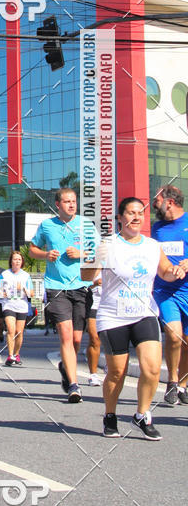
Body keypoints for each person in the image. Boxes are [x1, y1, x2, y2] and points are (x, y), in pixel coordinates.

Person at [82, 197, 185, 440]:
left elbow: (165, 273)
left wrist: (175, 271)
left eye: (140, 213)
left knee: (150, 369)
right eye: (130, 213)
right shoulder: (108, 245)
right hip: (113, 315)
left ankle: (142, 414)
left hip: (144, 313)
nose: (136, 217)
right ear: (120, 218)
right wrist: (93, 258)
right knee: (117, 372)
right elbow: (87, 275)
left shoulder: (151, 245)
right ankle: (110, 415)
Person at [29, 188, 97, 402]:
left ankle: (65, 366)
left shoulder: (86, 225)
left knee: (77, 339)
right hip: (56, 286)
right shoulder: (47, 225)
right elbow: (32, 249)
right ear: (57, 204)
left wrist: (82, 254)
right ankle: (74, 386)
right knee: (66, 336)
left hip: (81, 286)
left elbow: (101, 251)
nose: (71, 205)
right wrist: (45, 254)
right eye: (67, 201)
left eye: (74, 201)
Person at [151, 185, 188, 406]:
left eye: (157, 200)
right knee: (173, 335)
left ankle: (183, 384)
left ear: (169, 202)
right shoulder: (157, 229)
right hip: (165, 291)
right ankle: (172, 381)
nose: (154, 204)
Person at [0, 250, 34, 366]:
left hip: (22, 306)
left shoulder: (26, 276)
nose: (17, 261)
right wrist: (2, 293)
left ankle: (16, 354)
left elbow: (31, 293)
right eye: (15, 259)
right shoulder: (5, 274)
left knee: (19, 332)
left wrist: (23, 289)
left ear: (22, 262)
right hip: (8, 304)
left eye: (19, 259)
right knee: (10, 330)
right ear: (11, 261)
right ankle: (10, 356)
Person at [85, 277, 102, 386]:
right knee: (94, 338)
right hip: (93, 303)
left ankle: (110, 365)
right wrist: (94, 283)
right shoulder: (90, 261)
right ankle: (93, 374)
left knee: (110, 339)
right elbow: (80, 285)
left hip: (113, 304)